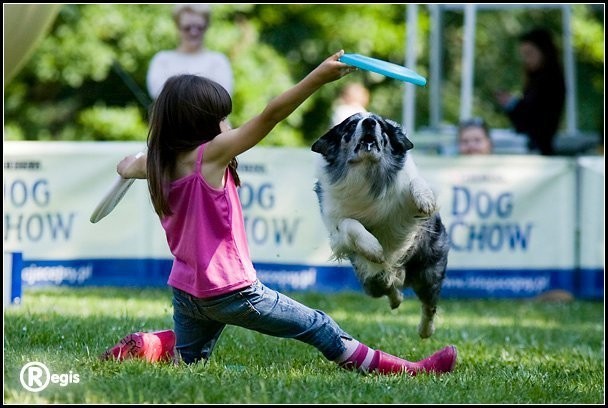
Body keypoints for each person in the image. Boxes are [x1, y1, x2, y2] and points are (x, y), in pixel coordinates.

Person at [100, 50, 457, 376]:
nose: (229, 124)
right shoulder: (209, 156)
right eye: (222, 118)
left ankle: (144, 345)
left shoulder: (156, 163)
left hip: (187, 292)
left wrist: (128, 165)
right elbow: (271, 115)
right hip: (231, 291)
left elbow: (126, 165)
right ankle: (411, 369)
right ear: (204, 126)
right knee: (319, 327)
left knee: (190, 362)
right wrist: (317, 77)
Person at [495, 27, 566, 156]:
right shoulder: (535, 79)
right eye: (524, 55)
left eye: (529, 54)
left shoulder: (550, 81)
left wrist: (512, 104)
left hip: (540, 149)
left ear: (544, 52)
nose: (526, 60)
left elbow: (535, 119)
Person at [146, 4, 234, 99]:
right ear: (177, 26)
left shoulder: (218, 61)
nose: (194, 33)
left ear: (207, 26)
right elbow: (159, 95)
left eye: (199, 27)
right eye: (187, 28)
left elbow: (221, 96)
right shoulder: (162, 60)